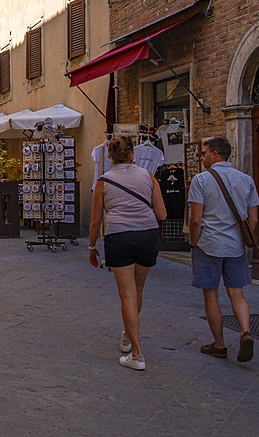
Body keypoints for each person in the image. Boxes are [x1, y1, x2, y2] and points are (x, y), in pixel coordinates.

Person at [88, 135, 168, 371]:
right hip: (147, 236)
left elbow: (95, 221)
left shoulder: (104, 181)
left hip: (119, 237)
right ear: (132, 154)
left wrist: (92, 248)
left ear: (110, 156)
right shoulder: (148, 176)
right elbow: (162, 214)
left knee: (127, 295)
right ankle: (127, 337)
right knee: (138, 290)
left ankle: (137, 353)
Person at [188, 136, 259, 363]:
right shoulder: (246, 180)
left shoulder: (201, 180)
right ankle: (245, 331)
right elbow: (253, 220)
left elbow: (195, 220)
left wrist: (192, 242)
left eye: (205, 153)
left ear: (215, 154)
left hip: (208, 244)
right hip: (235, 246)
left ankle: (219, 345)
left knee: (211, 295)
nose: (202, 157)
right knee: (236, 292)